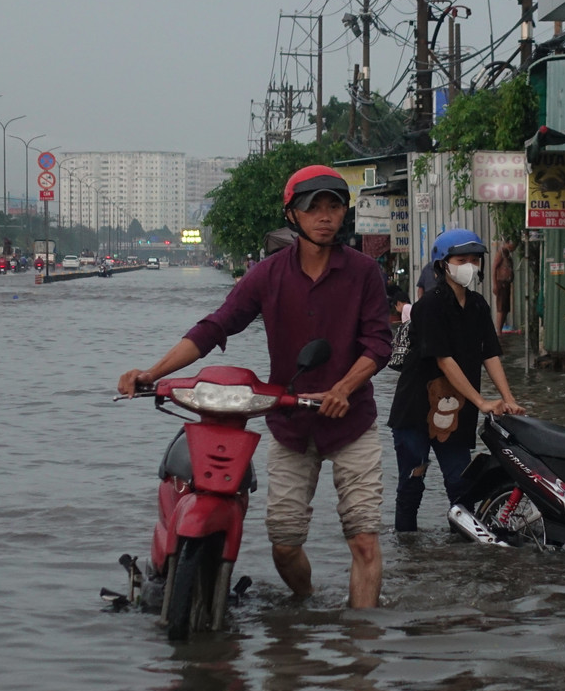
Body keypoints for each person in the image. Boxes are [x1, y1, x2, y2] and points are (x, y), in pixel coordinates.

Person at [117, 164, 392, 608]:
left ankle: (360, 657)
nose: (325, 217)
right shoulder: (268, 274)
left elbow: (379, 342)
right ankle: (310, 605)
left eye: (334, 207)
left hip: (351, 423)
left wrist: (344, 387)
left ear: (345, 214)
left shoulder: (364, 273)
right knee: (283, 545)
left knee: (363, 540)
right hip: (290, 424)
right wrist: (154, 373)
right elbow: (216, 326)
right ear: (293, 215)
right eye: (313, 207)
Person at [388, 229, 525, 532]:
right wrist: (481, 401)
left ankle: (464, 551)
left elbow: (490, 354)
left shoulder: (478, 305)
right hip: (415, 410)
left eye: (475, 260)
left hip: (454, 411)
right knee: (412, 483)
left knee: (461, 486)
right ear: (443, 264)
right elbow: (443, 359)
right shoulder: (429, 306)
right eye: (461, 259)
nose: (470, 265)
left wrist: (509, 398)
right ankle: (408, 550)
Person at [492, 239, 515, 333]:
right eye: (512, 244)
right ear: (507, 243)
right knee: (501, 308)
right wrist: (495, 284)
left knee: (505, 308)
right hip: (501, 282)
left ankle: (500, 330)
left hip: (507, 283)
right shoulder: (500, 253)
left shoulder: (507, 255)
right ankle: (498, 331)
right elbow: (494, 268)